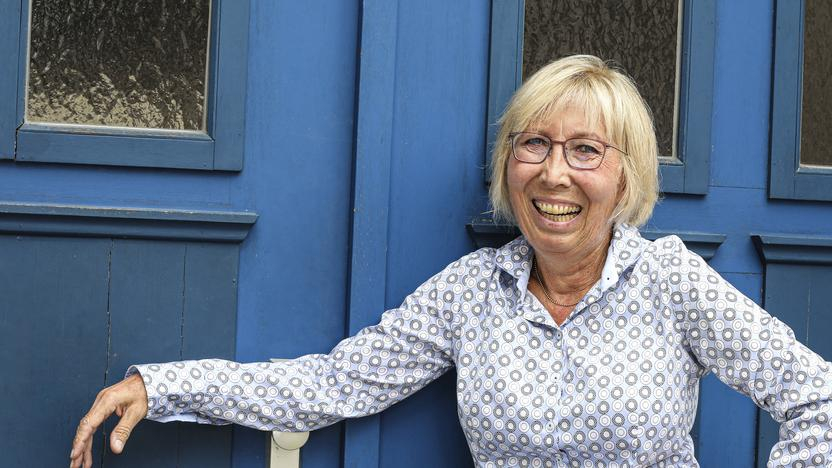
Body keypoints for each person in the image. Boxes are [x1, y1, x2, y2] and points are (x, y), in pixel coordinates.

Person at [70, 55, 832, 468]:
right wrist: (163, 385)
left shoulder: (669, 281)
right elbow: (334, 382)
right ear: (508, 165)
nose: (554, 174)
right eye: (534, 145)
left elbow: (818, 401)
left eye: (584, 151)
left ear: (626, 176)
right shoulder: (474, 291)